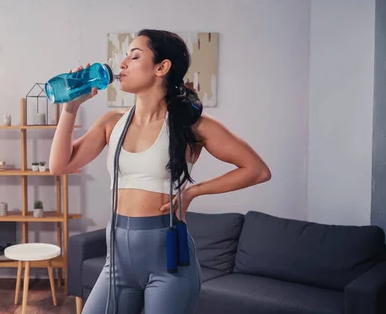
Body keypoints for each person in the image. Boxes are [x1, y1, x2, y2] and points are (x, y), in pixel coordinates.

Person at [49, 29, 271, 314]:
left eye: (135, 56)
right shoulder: (111, 123)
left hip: (169, 264)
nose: (123, 64)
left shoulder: (191, 125)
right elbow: (59, 165)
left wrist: (193, 191)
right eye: (125, 56)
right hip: (116, 261)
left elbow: (257, 170)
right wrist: (70, 108)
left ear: (161, 67)